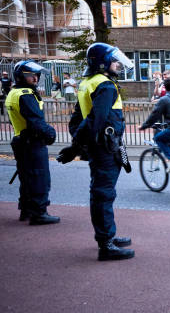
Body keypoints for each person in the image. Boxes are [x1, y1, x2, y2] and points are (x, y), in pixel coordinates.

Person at [58, 43, 135, 261]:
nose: (118, 64)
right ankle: (106, 244)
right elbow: (94, 120)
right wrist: (76, 147)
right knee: (103, 193)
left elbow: (77, 119)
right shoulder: (106, 86)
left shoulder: (87, 83)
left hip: (102, 146)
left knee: (103, 192)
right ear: (102, 63)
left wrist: (79, 142)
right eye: (114, 60)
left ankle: (107, 234)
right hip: (105, 148)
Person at [5, 60, 60, 225]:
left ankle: (26, 210)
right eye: (30, 75)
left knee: (26, 177)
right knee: (39, 177)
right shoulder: (26, 95)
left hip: (20, 139)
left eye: (36, 75)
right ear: (21, 76)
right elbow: (35, 121)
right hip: (32, 141)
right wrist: (50, 133)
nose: (35, 78)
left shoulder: (14, 93)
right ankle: (39, 213)